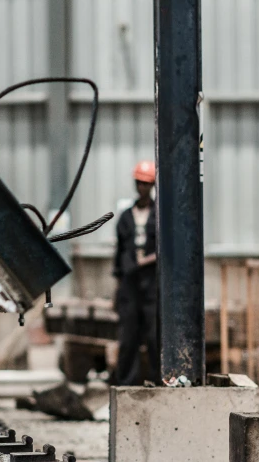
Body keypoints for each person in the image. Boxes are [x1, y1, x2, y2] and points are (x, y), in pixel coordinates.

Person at [113, 160, 158, 386]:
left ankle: (159, 381)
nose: (143, 187)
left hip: (152, 285)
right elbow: (119, 253)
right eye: (140, 183)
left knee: (154, 336)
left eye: (147, 183)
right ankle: (126, 385)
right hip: (130, 284)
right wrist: (118, 286)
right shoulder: (125, 218)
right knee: (128, 336)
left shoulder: (161, 216)